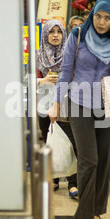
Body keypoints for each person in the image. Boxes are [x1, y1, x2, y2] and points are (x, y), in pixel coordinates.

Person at [49, 0, 110, 219]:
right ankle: (85, 216)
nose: (101, 22)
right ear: (92, 14)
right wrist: (56, 103)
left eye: (107, 18)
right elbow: (65, 70)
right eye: (98, 16)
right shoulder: (78, 34)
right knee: (89, 159)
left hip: (106, 105)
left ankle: (96, 210)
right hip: (78, 102)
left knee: (103, 160)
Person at [36, 20, 78, 198]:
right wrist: (43, 80)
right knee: (49, 141)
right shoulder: (38, 55)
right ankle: (53, 178)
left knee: (71, 142)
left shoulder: (71, 54)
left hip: (67, 103)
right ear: (45, 35)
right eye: (51, 32)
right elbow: (25, 79)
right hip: (44, 104)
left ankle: (73, 182)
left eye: (59, 32)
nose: (55, 35)